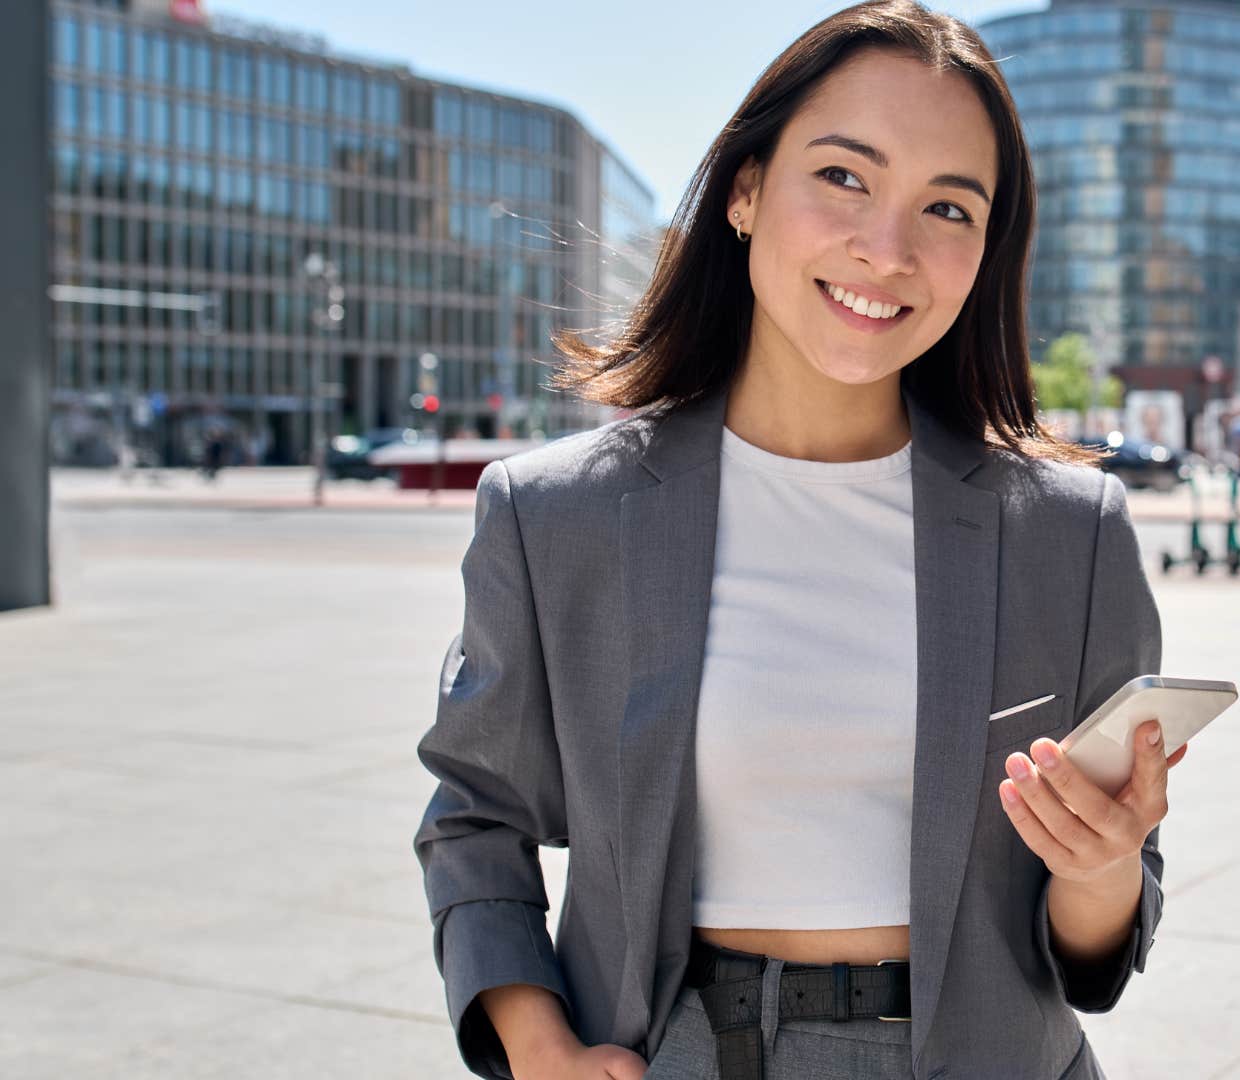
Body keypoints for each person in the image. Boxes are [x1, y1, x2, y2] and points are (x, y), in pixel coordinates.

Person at [412, 5, 1180, 1079]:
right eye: (846, 177)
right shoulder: (555, 515)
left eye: (948, 207)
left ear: (986, 251)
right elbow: (477, 815)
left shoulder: (1067, 532)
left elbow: (1097, 931)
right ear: (745, 189)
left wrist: (1098, 871)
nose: (889, 248)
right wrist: (538, 1045)